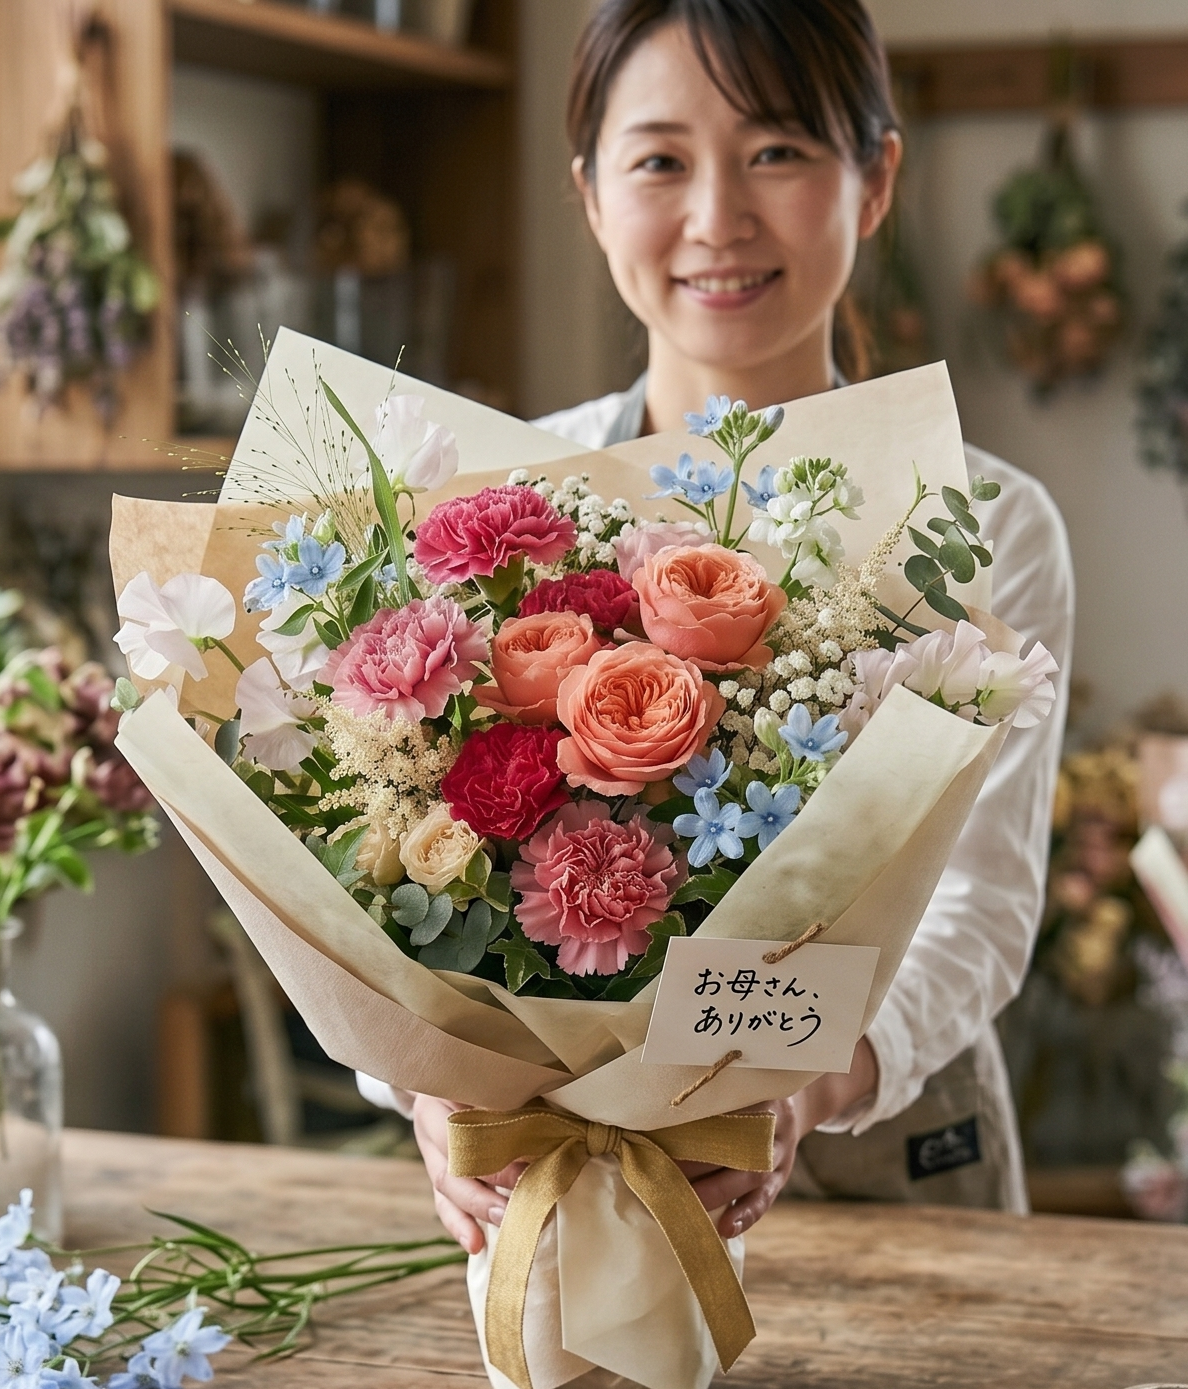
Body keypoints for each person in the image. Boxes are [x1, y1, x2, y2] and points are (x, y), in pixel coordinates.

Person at [371, 0, 1074, 1249]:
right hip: (560, 1158)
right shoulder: (507, 513)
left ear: (874, 180)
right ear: (590, 196)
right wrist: (431, 1082)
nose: (717, 219)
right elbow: (383, 847)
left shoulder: (982, 520)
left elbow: (980, 905)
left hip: (890, 1162)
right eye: (660, 162)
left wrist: (802, 1075)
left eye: (778, 152)